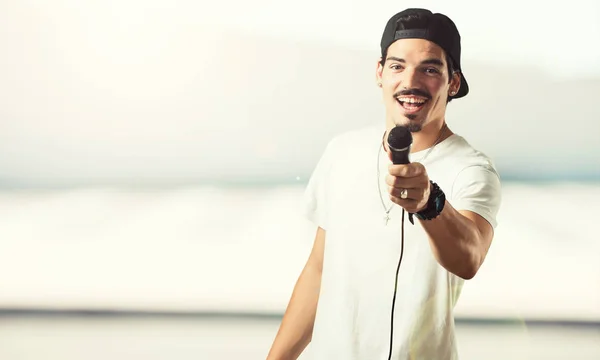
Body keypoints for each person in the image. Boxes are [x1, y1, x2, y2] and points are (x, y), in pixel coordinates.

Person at [266, 8, 502, 360]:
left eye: (430, 68)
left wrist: (430, 203)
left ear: (453, 82)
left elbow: (469, 258)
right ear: (380, 73)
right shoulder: (342, 151)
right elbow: (319, 270)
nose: (411, 81)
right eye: (397, 65)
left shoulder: (471, 169)